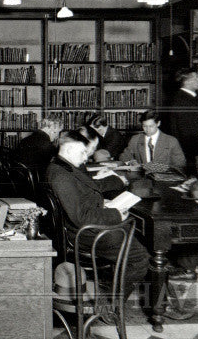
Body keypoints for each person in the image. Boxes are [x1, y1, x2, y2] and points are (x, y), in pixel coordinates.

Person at [44, 128, 151, 300]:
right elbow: (82, 217)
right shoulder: (61, 176)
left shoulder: (61, 166)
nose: (86, 157)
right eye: (83, 152)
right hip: (85, 233)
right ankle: (112, 303)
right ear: (70, 150)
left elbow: (79, 199)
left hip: (81, 227)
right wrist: (116, 214)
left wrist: (102, 203)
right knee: (140, 258)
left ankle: (115, 285)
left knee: (137, 234)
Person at [120, 110, 187, 174]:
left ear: (158, 123)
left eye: (151, 126)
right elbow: (123, 156)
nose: (147, 130)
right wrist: (131, 162)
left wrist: (160, 168)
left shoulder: (171, 141)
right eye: (144, 126)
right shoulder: (135, 139)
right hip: (142, 179)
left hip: (164, 179)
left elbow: (180, 164)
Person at [166, 66, 198, 167]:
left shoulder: (188, 97)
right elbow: (186, 130)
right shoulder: (183, 100)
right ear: (187, 81)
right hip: (189, 149)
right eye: (196, 77)